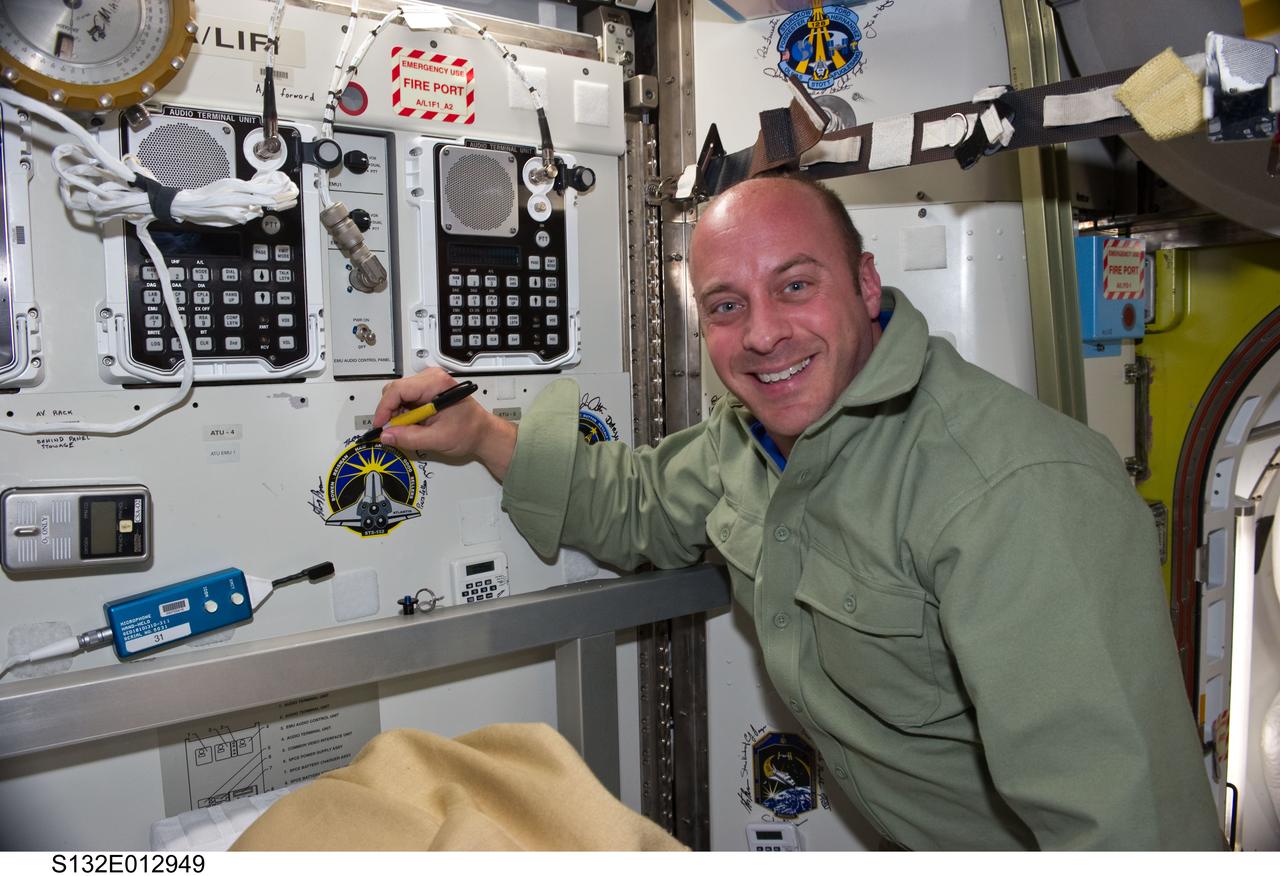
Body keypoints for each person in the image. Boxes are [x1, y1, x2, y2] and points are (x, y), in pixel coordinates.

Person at [372, 175, 1223, 850]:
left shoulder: (1014, 489)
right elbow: (636, 506)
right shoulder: (747, 441)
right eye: (727, 306)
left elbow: (1129, 827)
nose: (764, 334)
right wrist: (481, 432)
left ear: (864, 282)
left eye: (796, 285)